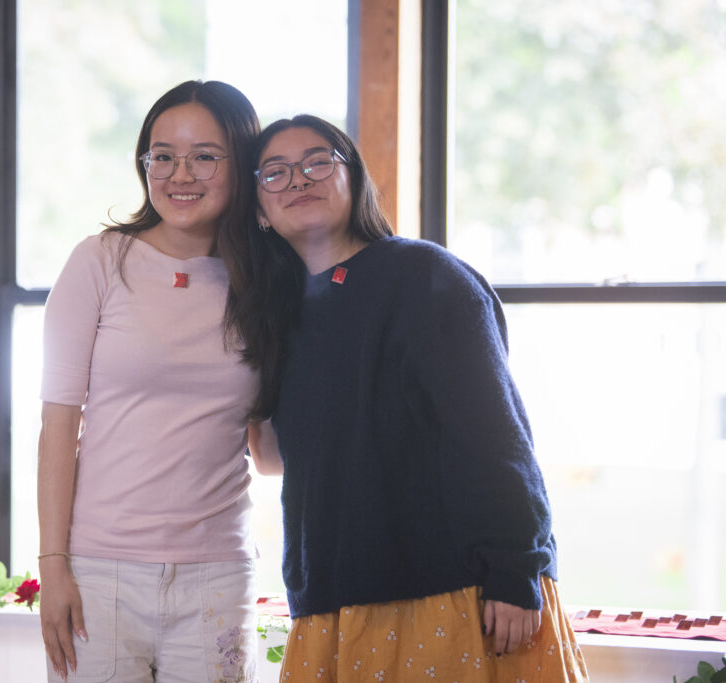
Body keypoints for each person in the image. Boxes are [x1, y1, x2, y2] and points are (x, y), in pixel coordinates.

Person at [222, 114, 590, 681]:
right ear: (258, 211)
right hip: (331, 597)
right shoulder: (279, 315)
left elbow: (494, 433)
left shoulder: (424, 277)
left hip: (453, 595)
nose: (298, 179)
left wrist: (517, 569)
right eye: (275, 172)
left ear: (354, 178)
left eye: (317, 161)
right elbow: (273, 459)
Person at [37, 80, 281, 683]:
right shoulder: (100, 260)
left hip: (217, 572)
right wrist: (54, 567)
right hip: (100, 570)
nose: (180, 175)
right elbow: (58, 425)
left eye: (205, 156)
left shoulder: (267, 281)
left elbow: (270, 454)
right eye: (163, 156)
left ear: (241, 163)